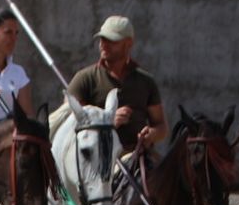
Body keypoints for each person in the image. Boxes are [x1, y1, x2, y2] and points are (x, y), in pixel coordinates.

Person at [67, 15, 169, 153]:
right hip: (99, 159)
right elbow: (68, 123)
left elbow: (161, 126)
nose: (103, 44)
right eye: (102, 39)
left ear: (128, 43)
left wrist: (151, 134)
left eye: (111, 40)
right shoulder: (85, 79)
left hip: (139, 158)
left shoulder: (145, 81)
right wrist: (107, 121)